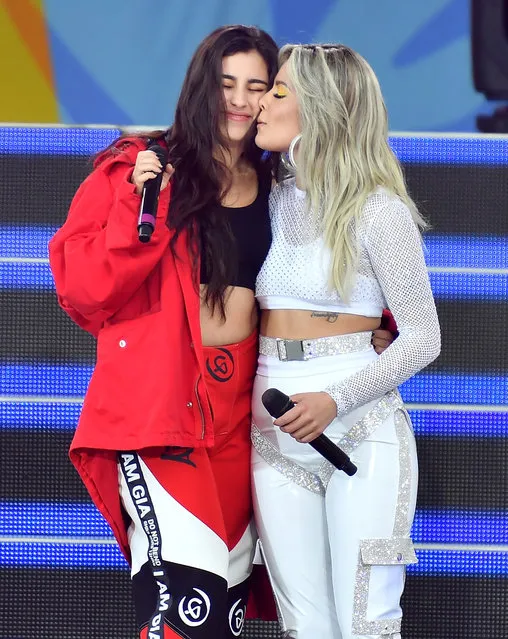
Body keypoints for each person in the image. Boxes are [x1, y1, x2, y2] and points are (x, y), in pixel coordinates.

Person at [49, 25, 279, 639]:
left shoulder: (286, 186)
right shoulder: (141, 171)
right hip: (163, 412)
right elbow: (84, 290)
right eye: (226, 83)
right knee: (186, 612)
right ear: (201, 88)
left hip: (246, 420)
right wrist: (138, 206)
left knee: (221, 613)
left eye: (257, 86)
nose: (240, 99)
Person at [251, 44, 441, 639]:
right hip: (272, 436)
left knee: (367, 623)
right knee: (305, 627)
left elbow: (422, 337)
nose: (261, 102)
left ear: (323, 107)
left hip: (361, 430)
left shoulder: (377, 210)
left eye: (278, 90)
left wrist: (335, 399)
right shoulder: (267, 200)